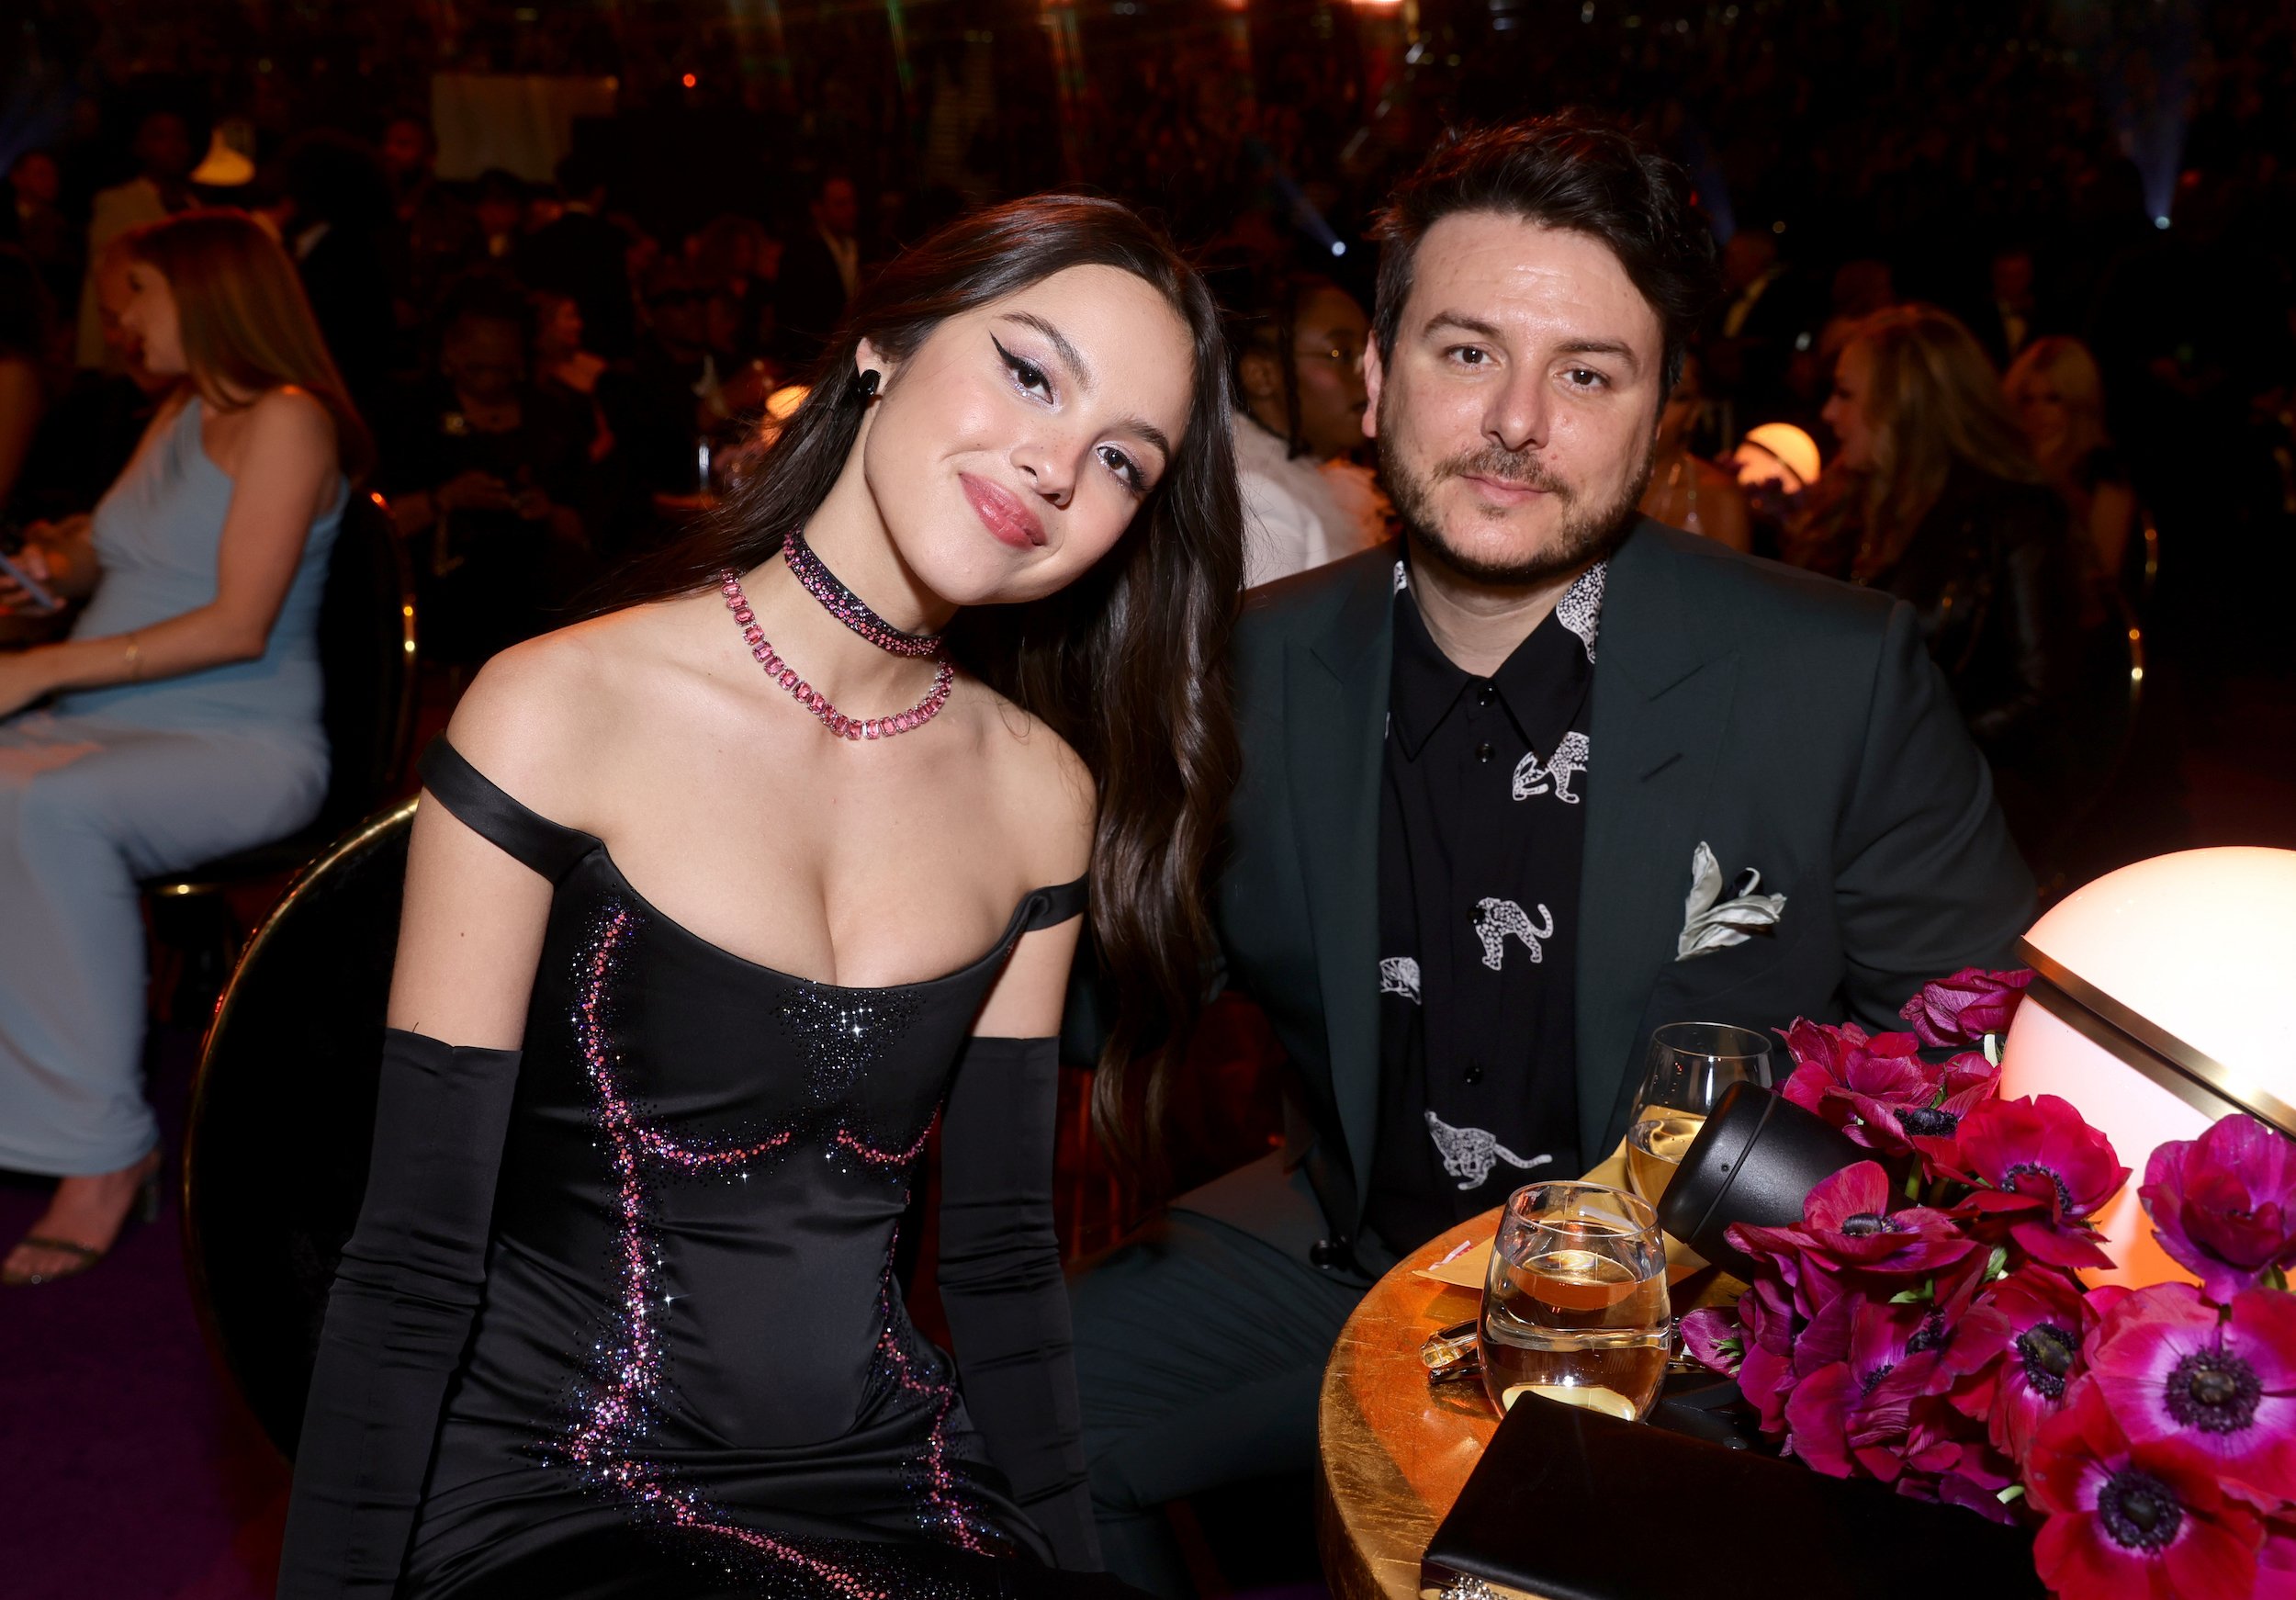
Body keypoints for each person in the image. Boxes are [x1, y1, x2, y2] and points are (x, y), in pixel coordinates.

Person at [1066, 116, 2036, 1597]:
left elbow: (1994, 1096)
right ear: (1376, 378)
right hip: (1343, 1255)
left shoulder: (1834, 683)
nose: (1517, 420)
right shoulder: (1244, 672)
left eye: (1587, 374)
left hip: (1700, 1336)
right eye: (1466, 353)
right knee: (1004, 1413)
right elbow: (1103, 978)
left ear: (1661, 420)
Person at [276, 194, 1241, 1599]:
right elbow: (415, 1253)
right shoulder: (561, 707)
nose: (1051, 464)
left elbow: (1000, 1264)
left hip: (896, 1478)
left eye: (1119, 461)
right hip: (567, 1492)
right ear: (884, 348)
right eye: (1030, 371)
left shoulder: (1041, 795)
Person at [0, 209, 366, 1286]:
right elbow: (106, 559)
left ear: (206, 293)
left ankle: (105, 1154)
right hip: (130, 720)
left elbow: (234, 623)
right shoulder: (176, 416)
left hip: (243, 740)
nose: (114, 319)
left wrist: (42, 666)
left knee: (46, 806)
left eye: (135, 294)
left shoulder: (288, 419)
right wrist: (39, 575)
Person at [1816, 304, 2085, 849]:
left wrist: (1896, 750)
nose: (1828, 413)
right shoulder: (1860, 504)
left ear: (1904, 406)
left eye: (1846, 394)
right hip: (1873, 783)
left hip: (1977, 796)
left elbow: (2040, 698)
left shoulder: (2014, 514)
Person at [378, 276, 600, 665]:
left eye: (503, 369)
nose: (491, 381)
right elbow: (374, 525)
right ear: (448, 350)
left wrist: (545, 511)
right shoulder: (405, 415)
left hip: (537, 620)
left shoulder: (551, 416)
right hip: (434, 617)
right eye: (477, 369)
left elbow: (592, 528)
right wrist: (445, 499)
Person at [1230, 272, 1390, 587]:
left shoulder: (1311, 487)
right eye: (1340, 354)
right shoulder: (1259, 503)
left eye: (1369, 357)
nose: (1370, 379)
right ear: (1261, 375)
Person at [2003, 333, 2140, 615]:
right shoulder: (2009, 469)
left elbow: (2102, 587)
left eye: (2053, 399)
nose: (2039, 412)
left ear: (2078, 403)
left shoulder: (2103, 476)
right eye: (2029, 400)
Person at [73, 109, 197, 369]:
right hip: (135, 354)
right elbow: (101, 281)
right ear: (139, 147)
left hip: (193, 352)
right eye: (160, 137)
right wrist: (92, 356)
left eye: (180, 138)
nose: (173, 147)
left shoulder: (198, 208)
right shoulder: (118, 203)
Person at [1637, 349, 1750, 551]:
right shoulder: (1583, 478)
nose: (1657, 408)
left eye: (1678, 397)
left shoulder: (1719, 498)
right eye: (1647, 387)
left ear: (1694, 412)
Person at [774, 172, 864, 368]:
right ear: (818, 209)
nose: (850, 211)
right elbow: (796, 320)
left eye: (852, 202)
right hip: (813, 361)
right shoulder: (801, 254)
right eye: (840, 204)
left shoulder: (860, 246)